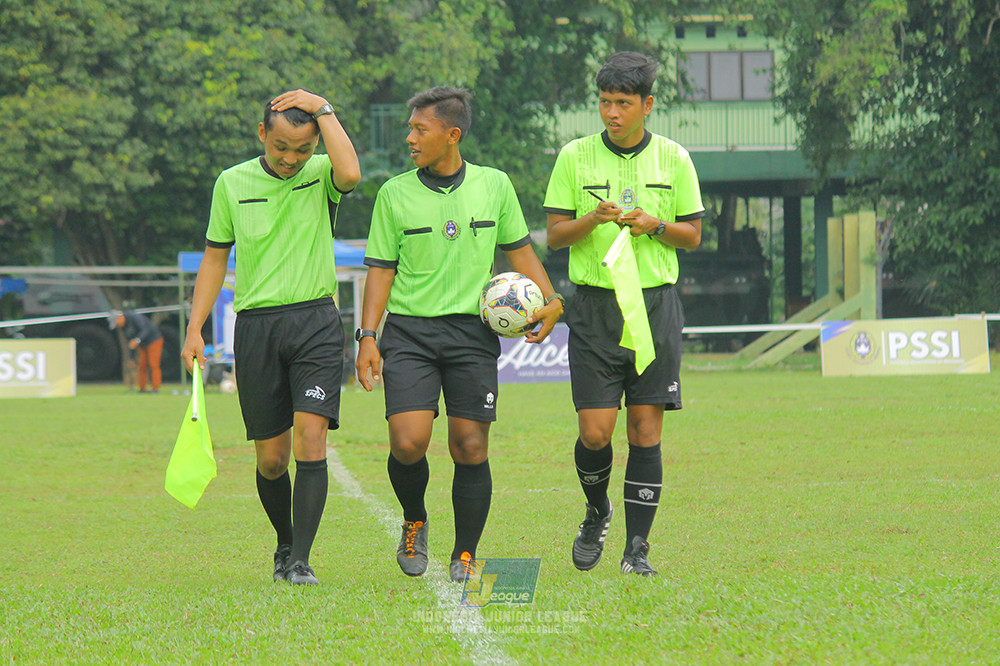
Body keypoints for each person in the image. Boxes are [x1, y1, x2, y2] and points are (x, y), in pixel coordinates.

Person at [356, 86, 564, 583]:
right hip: (410, 333)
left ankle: (465, 554)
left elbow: (521, 252)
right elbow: (381, 271)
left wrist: (552, 299)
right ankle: (414, 520)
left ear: (452, 135)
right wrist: (367, 335)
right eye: (410, 129)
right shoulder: (393, 193)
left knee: (470, 446)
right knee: (408, 443)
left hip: (473, 334)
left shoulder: (495, 184)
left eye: (419, 129)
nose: (409, 138)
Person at [180, 89, 361, 585]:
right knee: (272, 459)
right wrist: (194, 328)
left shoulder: (322, 174)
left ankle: (301, 561)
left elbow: (351, 174)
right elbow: (214, 258)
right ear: (263, 134)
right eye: (281, 146)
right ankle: (284, 543)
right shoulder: (231, 182)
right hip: (257, 328)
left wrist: (323, 108)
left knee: (311, 439)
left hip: (315, 322)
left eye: (302, 148)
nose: (290, 158)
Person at [543, 52, 704, 576]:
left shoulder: (675, 158)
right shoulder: (574, 156)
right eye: (605, 102)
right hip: (594, 308)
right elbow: (555, 236)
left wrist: (655, 225)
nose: (611, 112)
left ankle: (637, 551)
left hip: (654, 308)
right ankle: (597, 511)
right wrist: (593, 218)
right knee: (595, 433)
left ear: (647, 105)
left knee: (644, 431)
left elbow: (693, 235)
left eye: (623, 103)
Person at [111, 309, 163, 393]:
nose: (118, 325)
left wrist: (138, 340)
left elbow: (145, 330)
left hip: (154, 340)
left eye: (117, 323)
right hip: (142, 344)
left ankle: (155, 388)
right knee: (142, 365)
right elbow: (130, 343)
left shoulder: (135, 317)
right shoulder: (124, 327)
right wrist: (132, 358)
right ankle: (142, 388)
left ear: (120, 317)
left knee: (153, 364)